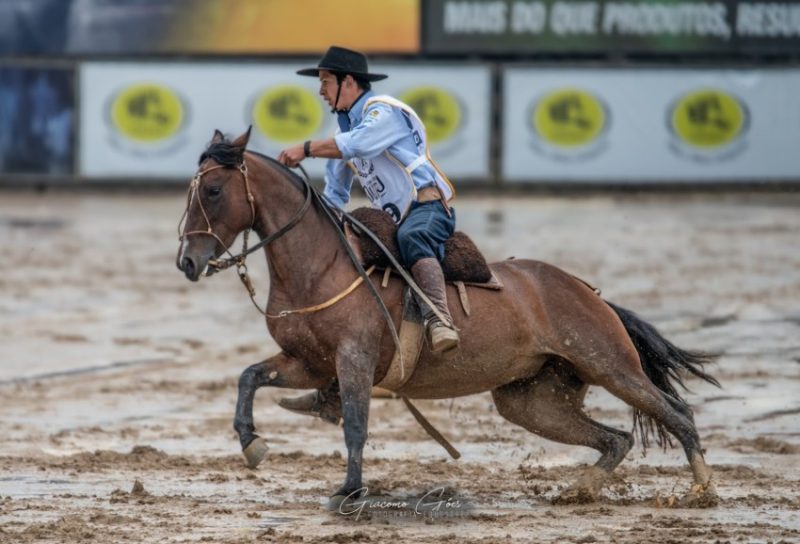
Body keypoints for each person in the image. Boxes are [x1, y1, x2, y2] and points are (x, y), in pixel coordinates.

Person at [276, 46, 459, 421]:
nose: (321, 91)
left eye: (326, 82)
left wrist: (306, 149)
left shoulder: (383, 111)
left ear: (349, 82)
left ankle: (440, 319)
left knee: (412, 239)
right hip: (394, 218)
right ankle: (331, 392)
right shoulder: (345, 130)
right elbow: (336, 195)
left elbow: (356, 147)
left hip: (428, 209)